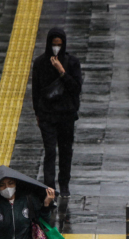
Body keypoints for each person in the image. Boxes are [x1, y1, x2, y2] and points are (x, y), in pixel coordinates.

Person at [31, 27, 83, 199]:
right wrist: (38, 113)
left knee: (66, 150)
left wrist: (62, 71)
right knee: (50, 151)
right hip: (47, 115)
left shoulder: (72, 63)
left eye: (59, 45)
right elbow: (36, 91)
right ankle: (49, 187)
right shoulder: (40, 63)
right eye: (53, 45)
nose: (56, 48)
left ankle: (64, 183)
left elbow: (76, 88)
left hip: (66, 115)